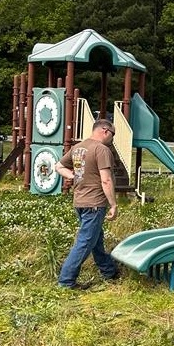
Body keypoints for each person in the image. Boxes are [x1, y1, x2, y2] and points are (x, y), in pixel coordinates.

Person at [54, 119, 121, 289]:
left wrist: (72, 176)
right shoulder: (102, 150)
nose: (113, 139)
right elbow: (106, 180)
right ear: (105, 131)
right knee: (85, 242)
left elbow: (58, 166)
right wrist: (113, 204)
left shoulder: (78, 148)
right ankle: (66, 281)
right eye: (113, 135)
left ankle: (109, 271)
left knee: (95, 239)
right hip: (95, 203)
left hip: (80, 201)